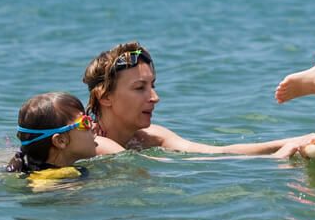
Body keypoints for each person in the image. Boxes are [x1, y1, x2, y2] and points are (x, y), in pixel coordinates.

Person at [83, 41, 293, 154]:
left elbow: (220, 153)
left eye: (152, 85)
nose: (154, 97)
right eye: (140, 88)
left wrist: (295, 141)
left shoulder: (148, 137)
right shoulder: (91, 143)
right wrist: (280, 158)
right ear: (105, 97)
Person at [6, 92, 124, 178]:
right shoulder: (63, 177)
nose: (94, 125)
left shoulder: (32, 169)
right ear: (60, 141)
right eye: (85, 122)